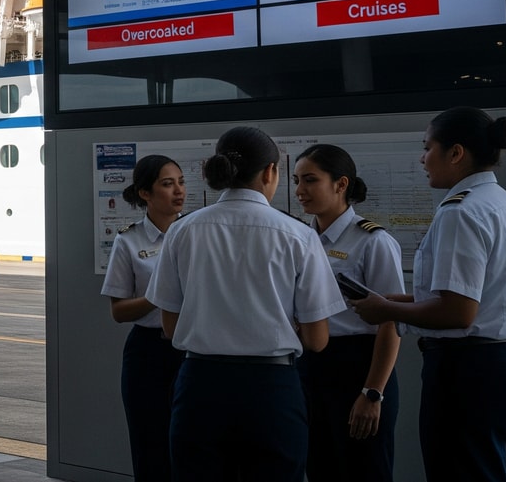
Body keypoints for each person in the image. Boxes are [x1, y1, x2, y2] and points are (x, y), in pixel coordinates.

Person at [147, 125, 344, 482]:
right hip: (272, 389)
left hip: (200, 386)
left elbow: (170, 325)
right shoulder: (298, 235)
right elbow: (317, 339)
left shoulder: (183, 230)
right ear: (271, 171)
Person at [353, 108, 506, 482]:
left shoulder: (461, 211)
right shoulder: (504, 204)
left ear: (456, 153)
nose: (422, 159)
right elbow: (478, 299)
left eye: (428, 147)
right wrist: (389, 301)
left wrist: (386, 308)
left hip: (470, 372)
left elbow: (458, 312)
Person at [292, 143, 403, 482]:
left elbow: (391, 321)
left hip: (359, 366)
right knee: (319, 466)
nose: (299, 190)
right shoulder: (298, 239)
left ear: (341, 184)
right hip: (310, 365)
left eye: (310, 180)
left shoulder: (372, 241)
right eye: (296, 180)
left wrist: (372, 393)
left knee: (364, 469)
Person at [99, 154, 186, 482]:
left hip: (191, 348)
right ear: (145, 193)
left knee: (192, 445)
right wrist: (156, 297)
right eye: (167, 184)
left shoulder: (197, 233)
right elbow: (118, 310)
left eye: (180, 182)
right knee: (150, 445)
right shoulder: (129, 239)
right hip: (149, 352)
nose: (178, 191)